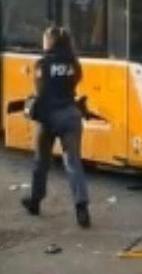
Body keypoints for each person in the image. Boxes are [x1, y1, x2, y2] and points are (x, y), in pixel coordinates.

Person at [20, 26, 90, 228]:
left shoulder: (42, 64)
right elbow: (75, 81)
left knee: (41, 162)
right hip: (70, 115)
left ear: (50, 41)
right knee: (73, 162)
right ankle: (81, 207)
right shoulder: (73, 63)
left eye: (45, 38)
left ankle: (35, 201)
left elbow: (41, 91)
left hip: (49, 117)